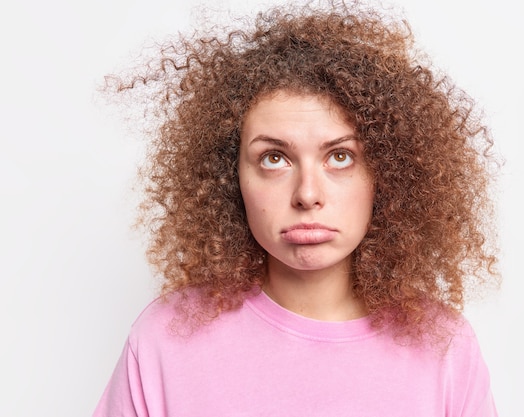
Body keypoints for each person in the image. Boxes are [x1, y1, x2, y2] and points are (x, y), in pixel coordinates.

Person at [94, 1, 501, 415]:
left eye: (340, 157)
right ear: (229, 176)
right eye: (274, 158)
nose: (307, 194)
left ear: (388, 175)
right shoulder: (165, 341)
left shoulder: (445, 350)